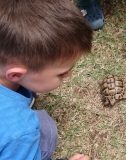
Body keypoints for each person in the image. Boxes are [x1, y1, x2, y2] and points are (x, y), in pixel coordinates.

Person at [0, 0, 93, 160]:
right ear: (15, 75)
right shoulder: (22, 131)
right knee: (47, 130)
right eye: (61, 74)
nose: (69, 75)